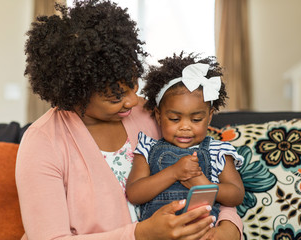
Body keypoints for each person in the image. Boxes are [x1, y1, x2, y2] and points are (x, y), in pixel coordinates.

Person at [15, 0, 243, 239]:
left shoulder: (156, 114)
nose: (133, 101)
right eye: (116, 97)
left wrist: (229, 227)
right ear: (76, 94)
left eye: (134, 85)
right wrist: (141, 234)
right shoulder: (42, 143)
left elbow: (212, 173)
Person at [125, 52, 245, 223]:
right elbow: (135, 193)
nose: (185, 127)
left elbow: (237, 194)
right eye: (174, 119)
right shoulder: (147, 148)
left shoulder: (218, 150)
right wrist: (173, 173)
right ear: (159, 116)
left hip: (201, 232)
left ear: (209, 117)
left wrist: (204, 186)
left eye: (196, 119)